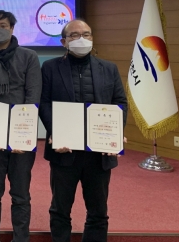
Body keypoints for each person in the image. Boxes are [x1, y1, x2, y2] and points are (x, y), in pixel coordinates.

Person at [39, 19, 127, 242]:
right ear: (64, 42)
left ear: (92, 38)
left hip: (98, 153)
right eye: (74, 35)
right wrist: (55, 131)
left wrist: (116, 134)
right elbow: (44, 103)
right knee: (60, 210)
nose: (81, 39)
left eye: (86, 34)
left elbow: (120, 102)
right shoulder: (50, 67)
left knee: (98, 211)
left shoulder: (109, 68)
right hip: (64, 151)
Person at [0, 10, 42, 242]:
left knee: (20, 193)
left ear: (12, 28)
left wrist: (22, 134)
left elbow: (33, 95)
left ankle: (21, 238)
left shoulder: (28, 56)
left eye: (3, 25)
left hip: (22, 136)